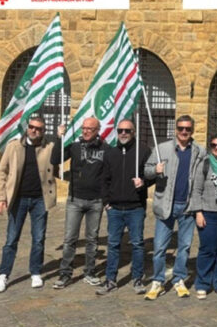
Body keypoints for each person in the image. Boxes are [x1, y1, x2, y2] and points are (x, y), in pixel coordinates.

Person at [143, 115, 206, 300]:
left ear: (192, 130)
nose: (184, 132)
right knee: (159, 248)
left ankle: (179, 278)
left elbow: (208, 172)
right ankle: (158, 281)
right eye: (181, 128)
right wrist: (155, 170)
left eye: (187, 129)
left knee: (184, 247)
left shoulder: (199, 151)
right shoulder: (162, 148)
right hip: (166, 205)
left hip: (187, 206)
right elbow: (146, 171)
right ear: (175, 129)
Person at [0, 116, 57, 293]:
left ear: (43, 131)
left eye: (39, 128)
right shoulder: (13, 146)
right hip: (18, 199)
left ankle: (35, 272)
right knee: (11, 239)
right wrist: (0, 197)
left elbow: (59, 161)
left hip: (40, 199)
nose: (34, 130)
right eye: (32, 127)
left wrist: (61, 136)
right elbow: (2, 172)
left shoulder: (49, 147)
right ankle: (3, 275)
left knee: (38, 238)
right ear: (27, 128)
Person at [50, 117, 109, 289]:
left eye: (90, 129)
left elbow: (111, 172)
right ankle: (65, 274)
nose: (86, 131)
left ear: (97, 130)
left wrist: (107, 198)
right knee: (70, 238)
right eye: (84, 128)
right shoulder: (75, 147)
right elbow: (55, 158)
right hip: (75, 200)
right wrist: (59, 138)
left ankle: (90, 272)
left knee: (92, 239)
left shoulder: (105, 149)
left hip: (96, 201)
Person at [96, 119, 151, 296]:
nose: (123, 133)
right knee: (113, 244)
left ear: (134, 132)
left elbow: (152, 175)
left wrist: (144, 182)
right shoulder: (110, 153)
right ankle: (110, 280)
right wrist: (106, 202)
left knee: (137, 244)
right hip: (115, 208)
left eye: (127, 130)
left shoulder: (143, 151)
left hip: (136, 207)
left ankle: (137, 278)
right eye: (120, 130)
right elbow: (104, 179)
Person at [190, 132, 217, 299]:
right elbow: (196, 190)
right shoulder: (204, 164)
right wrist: (198, 212)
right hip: (208, 213)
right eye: (214, 145)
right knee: (207, 249)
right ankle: (203, 283)